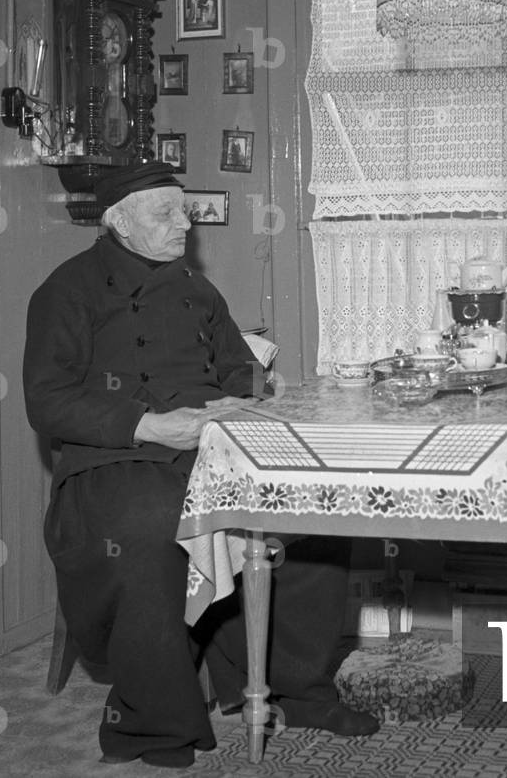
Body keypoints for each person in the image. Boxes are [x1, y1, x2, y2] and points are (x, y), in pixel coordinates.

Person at [23, 161, 378, 769]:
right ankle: (153, 723)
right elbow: (47, 399)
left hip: (214, 447)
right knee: (150, 532)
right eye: (165, 213)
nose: (183, 224)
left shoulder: (195, 288)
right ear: (119, 224)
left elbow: (240, 363)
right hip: (118, 458)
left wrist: (237, 396)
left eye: (183, 210)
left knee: (314, 512)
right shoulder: (66, 291)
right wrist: (150, 424)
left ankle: (295, 689)